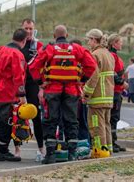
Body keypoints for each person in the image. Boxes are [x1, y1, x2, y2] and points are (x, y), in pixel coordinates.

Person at [29, 25, 96, 164]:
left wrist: (40, 82)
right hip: (71, 90)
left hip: (52, 89)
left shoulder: (49, 48)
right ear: (67, 35)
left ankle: (50, 155)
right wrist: (81, 79)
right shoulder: (77, 48)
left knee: (50, 120)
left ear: (54, 36)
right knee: (71, 121)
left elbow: (33, 66)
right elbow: (91, 65)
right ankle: (72, 154)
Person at [0, 29, 28, 162]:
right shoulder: (17, 54)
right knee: (8, 123)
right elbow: (19, 76)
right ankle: (2, 150)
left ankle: (0, 148)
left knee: (0, 122)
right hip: (9, 93)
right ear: (24, 41)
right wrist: (22, 95)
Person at [83, 29, 115, 158]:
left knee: (96, 126)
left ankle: (99, 152)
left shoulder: (95, 55)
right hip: (108, 97)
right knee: (106, 125)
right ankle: (108, 150)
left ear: (93, 40)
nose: (88, 43)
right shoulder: (108, 54)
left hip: (97, 97)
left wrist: (86, 94)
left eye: (89, 40)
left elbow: (93, 77)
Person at [18, 19, 45, 158]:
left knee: (36, 116)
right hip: (19, 83)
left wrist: (42, 88)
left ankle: (41, 148)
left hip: (34, 84)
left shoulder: (38, 45)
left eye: (31, 29)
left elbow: (44, 68)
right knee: (17, 115)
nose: (28, 31)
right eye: (26, 28)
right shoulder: (17, 44)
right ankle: (17, 150)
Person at [107, 34, 127, 153]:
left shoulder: (114, 55)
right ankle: (111, 142)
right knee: (112, 118)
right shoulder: (112, 56)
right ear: (114, 43)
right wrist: (122, 83)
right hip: (114, 91)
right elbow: (113, 73)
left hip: (117, 91)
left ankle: (113, 141)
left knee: (114, 118)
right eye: (120, 42)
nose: (122, 44)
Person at [70, 39, 89, 143]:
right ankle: (82, 143)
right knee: (78, 121)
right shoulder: (78, 60)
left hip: (79, 95)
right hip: (75, 95)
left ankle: (83, 143)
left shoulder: (80, 61)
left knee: (81, 122)